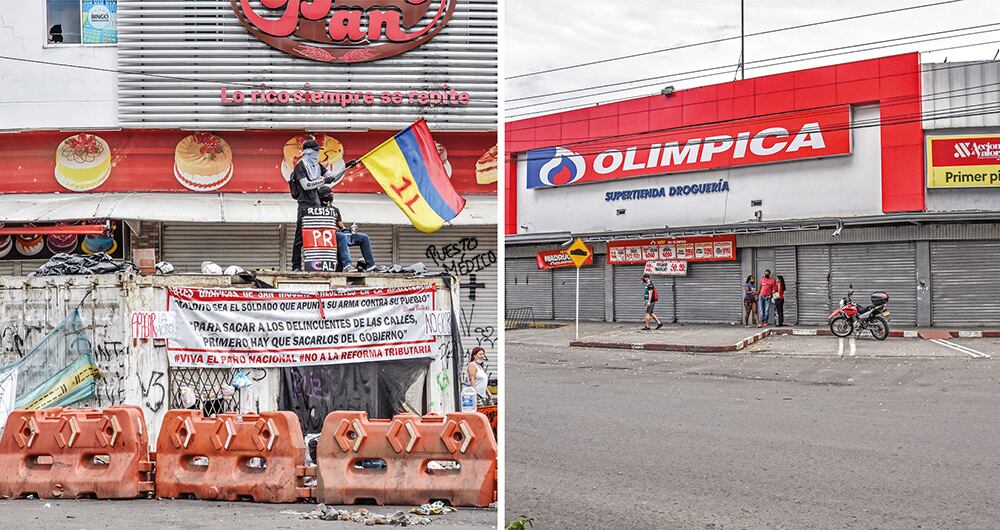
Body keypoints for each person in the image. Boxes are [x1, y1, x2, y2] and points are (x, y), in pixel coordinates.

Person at [290, 138, 349, 271]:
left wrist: (345, 168)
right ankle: (296, 266)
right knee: (300, 237)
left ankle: (319, 264)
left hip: (317, 205)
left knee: (319, 235)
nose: (318, 153)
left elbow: (332, 177)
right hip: (305, 206)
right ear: (309, 152)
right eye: (316, 151)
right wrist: (323, 181)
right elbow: (306, 185)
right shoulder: (300, 166)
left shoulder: (317, 165)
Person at [320, 193, 382, 272]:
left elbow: (340, 224)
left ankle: (371, 265)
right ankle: (347, 265)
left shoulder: (335, 210)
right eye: (330, 194)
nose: (331, 196)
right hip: (327, 235)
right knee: (342, 236)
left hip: (339, 234)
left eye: (332, 194)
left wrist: (349, 230)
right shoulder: (317, 209)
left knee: (364, 237)